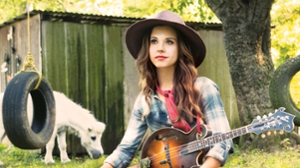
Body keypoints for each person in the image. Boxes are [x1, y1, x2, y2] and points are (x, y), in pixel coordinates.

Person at [101, 10, 233, 168]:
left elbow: (223, 140)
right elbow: (125, 150)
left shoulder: (204, 88)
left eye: (169, 42)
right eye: (154, 41)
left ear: (180, 48)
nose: (160, 48)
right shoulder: (146, 100)